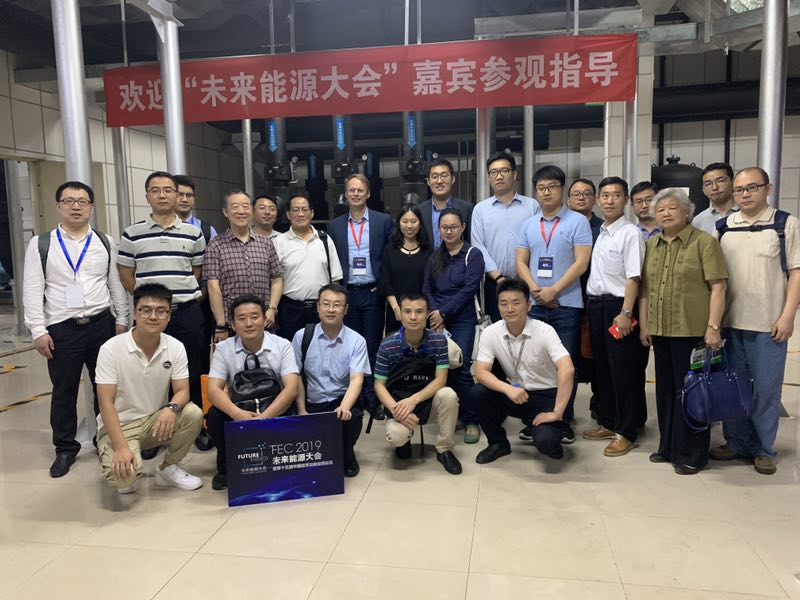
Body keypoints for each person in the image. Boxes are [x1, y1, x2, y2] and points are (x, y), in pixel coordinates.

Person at [22, 181, 129, 478]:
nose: (76, 206)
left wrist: (122, 318)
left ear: (91, 207)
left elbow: (114, 283)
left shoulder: (104, 241)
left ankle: (104, 437)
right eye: (69, 201)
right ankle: (65, 448)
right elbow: (32, 289)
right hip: (62, 328)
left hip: (100, 323)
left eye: (82, 201)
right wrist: (38, 330)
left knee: (105, 387)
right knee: (64, 390)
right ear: (58, 206)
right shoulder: (41, 244)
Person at [710, 167, 800, 475]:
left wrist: (788, 316)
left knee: (766, 390)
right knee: (732, 387)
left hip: (768, 325)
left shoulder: (784, 224)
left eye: (752, 188)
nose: (745, 194)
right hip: (730, 322)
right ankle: (736, 442)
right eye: (739, 190)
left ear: (767, 188)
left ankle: (764, 448)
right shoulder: (724, 227)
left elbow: (796, 273)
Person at [117, 171, 211, 452]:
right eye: (155, 190)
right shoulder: (132, 233)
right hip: (151, 317)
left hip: (186, 312)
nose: (162, 195)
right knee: (150, 374)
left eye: (168, 190)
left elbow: (196, 271)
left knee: (192, 368)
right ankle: (150, 431)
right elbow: (126, 272)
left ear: (176, 195)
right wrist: (149, 304)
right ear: (147, 196)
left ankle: (195, 425)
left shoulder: (193, 233)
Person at [639, 187, 728, 475]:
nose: (665, 213)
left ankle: (692, 454)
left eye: (672, 208)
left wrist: (713, 327)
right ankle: (668, 446)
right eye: (660, 209)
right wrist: (646, 324)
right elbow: (646, 289)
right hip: (661, 330)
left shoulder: (704, 242)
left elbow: (718, 287)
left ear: (687, 212)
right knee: (665, 391)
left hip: (691, 330)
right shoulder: (653, 244)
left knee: (692, 392)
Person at [95, 283, 204, 494]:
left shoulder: (175, 346)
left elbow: (183, 391)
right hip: (121, 425)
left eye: (161, 311)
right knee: (124, 481)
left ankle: (167, 468)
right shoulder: (111, 349)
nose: (153, 316)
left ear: (169, 316)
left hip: (155, 420)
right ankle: (128, 462)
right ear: (135, 313)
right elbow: (105, 403)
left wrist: (171, 408)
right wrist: (121, 448)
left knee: (193, 413)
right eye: (146, 310)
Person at [516, 164, 592, 443]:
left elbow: (581, 263)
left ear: (562, 189)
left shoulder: (578, 222)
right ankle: (534, 417)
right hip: (534, 304)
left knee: (565, 364)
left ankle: (563, 419)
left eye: (552, 187)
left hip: (566, 305)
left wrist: (554, 290)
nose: (546, 192)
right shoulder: (528, 224)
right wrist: (535, 290)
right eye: (541, 188)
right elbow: (520, 262)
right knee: (535, 363)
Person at [471, 278, 574, 464]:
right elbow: (481, 372)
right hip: (517, 393)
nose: (510, 309)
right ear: (498, 307)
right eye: (504, 303)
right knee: (478, 392)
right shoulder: (491, 332)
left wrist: (557, 412)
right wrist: (507, 389)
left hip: (546, 396)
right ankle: (498, 443)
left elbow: (567, 369)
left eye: (516, 303)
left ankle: (555, 428)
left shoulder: (545, 331)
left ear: (528, 305)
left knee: (547, 443)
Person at [206, 295, 301, 490]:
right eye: (242, 318)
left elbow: (291, 388)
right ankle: (226, 466)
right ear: (233, 324)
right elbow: (213, 390)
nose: (249, 323)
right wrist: (237, 414)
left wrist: (264, 418)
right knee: (215, 416)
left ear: (265, 319)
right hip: (240, 408)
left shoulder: (282, 345)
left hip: (274, 406)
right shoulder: (223, 349)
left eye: (255, 317)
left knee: (291, 412)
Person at [582, 177, 646, 457]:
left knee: (624, 373)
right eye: (605, 195)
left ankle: (626, 432)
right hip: (596, 306)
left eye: (616, 195)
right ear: (598, 200)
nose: (609, 200)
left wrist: (626, 313)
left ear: (626, 200)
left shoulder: (630, 233)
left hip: (618, 308)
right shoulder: (601, 232)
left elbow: (634, 277)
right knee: (603, 371)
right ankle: (608, 422)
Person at [328, 174, 393, 421]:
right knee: (350, 348)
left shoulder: (383, 221)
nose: (355, 194)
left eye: (360, 190)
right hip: (347, 294)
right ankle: (354, 397)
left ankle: (373, 399)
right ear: (346, 194)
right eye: (351, 190)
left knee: (372, 347)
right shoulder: (335, 225)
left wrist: (382, 285)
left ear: (368, 194)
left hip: (372, 292)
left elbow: (389, 256)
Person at [374, 293, 462, 475]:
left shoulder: (438, 341)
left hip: (427, 402)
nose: (413, 317)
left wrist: (413, 400)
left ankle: (444, 449)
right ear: (400, 314)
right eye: (407, 311)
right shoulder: (387, 345)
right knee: (397, 436)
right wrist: (397, 410)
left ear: (428, 314)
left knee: (448, 394)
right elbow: (379, 385)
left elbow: (441, 380)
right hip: (399, 403)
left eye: (419, 312)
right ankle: (404, 441)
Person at [292, 284, 371, 478]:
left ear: (346, 309)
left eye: (337, 305)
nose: (331, 309)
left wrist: (344, 407)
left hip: (340, 399)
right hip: (312, 401)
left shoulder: (356, 340)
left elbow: (356, 379)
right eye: (326, 304)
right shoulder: (302, 336)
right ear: (318, 307)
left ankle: (347, 456)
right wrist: (301, 409)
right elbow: (295, 375)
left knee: (353, 417)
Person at [422, 208, 484, 443]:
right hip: (437, 318)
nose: (449, 231)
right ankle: (454, 414)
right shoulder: (435, 257)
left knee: (462, 367)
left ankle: (472, 420)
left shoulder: (473, 255)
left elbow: (469, 289)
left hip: (462, 319)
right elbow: (427, 288)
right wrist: (435, 313)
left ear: (463, 228)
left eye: (453, 227)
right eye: (444, 227)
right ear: (439, 229)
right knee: (442, 369)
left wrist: (443, 313)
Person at [204, 190, 283, 339]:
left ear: (251, 210)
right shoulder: (215, 245)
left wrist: (272, 309)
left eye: (245, 206)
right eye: (235, 207)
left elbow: (277, 278)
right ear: (225, 212)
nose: (241, 211)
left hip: (264, 321)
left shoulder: (266, 243)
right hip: (231, 324)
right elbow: (213, 287)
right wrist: (221, 324)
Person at [471, 151, 540, 323]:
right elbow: (478, 245)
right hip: (494, 283)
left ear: (514, 174)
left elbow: (539, 243)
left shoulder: (532, 206)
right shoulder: (480, 209)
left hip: (527, 282)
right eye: (493, 172)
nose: (499, 176)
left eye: (504, 171)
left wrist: (528, 278)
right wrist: (498, 277)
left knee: (529, 329)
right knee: (497, 330)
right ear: (489, 177)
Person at [273, 194, 343, 340]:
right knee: (291, 348)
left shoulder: (324, 239)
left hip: (321, 308)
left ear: (312, 213)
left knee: (322, 346)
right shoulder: (279, 242)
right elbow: (274, 279)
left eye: (305, 210)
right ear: (288, 214)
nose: (301, 214)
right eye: (296, 210)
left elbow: (335, 278)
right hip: (291, 309)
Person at [380, 203, 432, 334]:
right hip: (396, 313)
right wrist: (397, 309)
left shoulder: (428, 251)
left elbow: (432, 283)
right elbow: (386, 282)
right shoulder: (390, 250)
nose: (409, 226)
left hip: (421, 314)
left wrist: (422, 311)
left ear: (420, 224)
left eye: (414, 221)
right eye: (405, 221)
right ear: (398, 224)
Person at [417, 158, 473, 248]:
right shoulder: (419, 210)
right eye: (434, 177)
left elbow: (469, 241)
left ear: (453, 179)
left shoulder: (466, 208)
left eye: (444, 176)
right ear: (428, 182)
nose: (439, 181)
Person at [692, 162, 738, 234]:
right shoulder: (698, 221)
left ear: (733, 182)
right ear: (703, 190)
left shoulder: (747, 212)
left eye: (720, 181)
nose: (714, 188)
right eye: (708, 184)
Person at [174, 175, 217, 242]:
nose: (185, 200)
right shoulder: (161, 228)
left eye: (189, 195)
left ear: (194, 198)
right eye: (180, 195)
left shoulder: (207, 230)